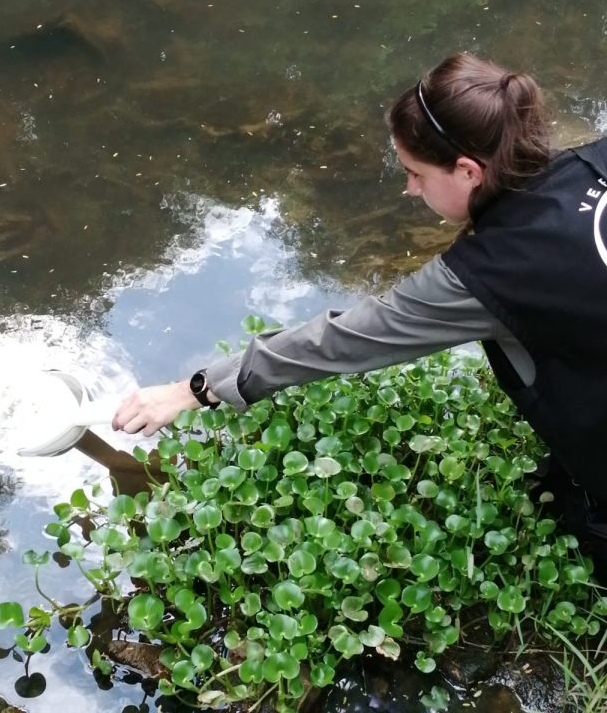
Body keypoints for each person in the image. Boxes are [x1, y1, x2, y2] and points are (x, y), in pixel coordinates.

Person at [112, 52, 607, 573]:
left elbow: (340, 340)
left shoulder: (490, 272)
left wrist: (193, 389)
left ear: (467, 170)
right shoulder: (593, 162)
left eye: (415, 173)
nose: (409, 189)